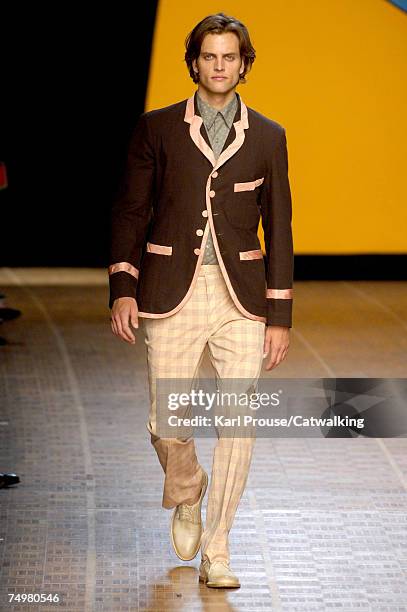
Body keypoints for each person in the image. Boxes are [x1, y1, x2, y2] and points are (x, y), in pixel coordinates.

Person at [109, 12, 294, 589]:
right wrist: (123, 285)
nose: (219, 66)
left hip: (242, 299)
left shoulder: (268, 135)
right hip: (169, 293)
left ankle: (219, 548)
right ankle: (187, 490)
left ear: (244, 64)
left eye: (229, 57)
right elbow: (132, 210)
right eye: (209, 56)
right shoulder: (157, 128)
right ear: (195, 63)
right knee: (168, 420)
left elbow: (280, 227)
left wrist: (279, 313)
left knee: (238, 425)